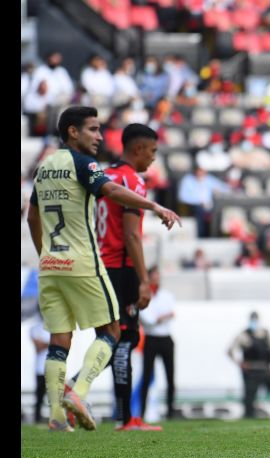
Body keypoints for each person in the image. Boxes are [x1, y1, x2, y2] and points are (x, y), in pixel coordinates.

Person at [26, 106, 180, 432]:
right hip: (86, 262)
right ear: (72, 131)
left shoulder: (44, 166)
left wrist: (45, 255)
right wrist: (155, 205)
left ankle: (55, 414)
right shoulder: (86, 165)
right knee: (113, 331)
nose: (99, 137)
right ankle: (79, 393)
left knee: (59, 340)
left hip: (50, 265)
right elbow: (110, 193)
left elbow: (31, 218)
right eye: (93, 130)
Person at [93, 123, 165, 432]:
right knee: (125, 341)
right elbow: (133, 237)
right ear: (137, 149)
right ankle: (126, 418)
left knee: (108, 340)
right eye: (152, 152)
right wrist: (143, 281)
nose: (153, 158)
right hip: (120, 269)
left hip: (96, 266)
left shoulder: (103, 177)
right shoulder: (131, 180)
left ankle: (74, 392)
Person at [138, 266, 179, 420]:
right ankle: (141, 413)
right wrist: (160, 318)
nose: (156, 279)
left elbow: (170, 314)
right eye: (153, 276)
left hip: (165, 338)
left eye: (157, 276)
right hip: (151, 339)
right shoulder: (144, 296)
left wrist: (158, 318)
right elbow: (148, 320)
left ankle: (170, 412)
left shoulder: (167, 295)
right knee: (146, 377)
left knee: (170, 377)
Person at [29, 309, 50, 424]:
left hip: (51, 368)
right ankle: (37, 419)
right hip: (40, 369)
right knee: (39, 396)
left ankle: (57, 418)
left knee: (56, 396)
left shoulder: (52, 326)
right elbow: (39, 346)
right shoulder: (35, 327)